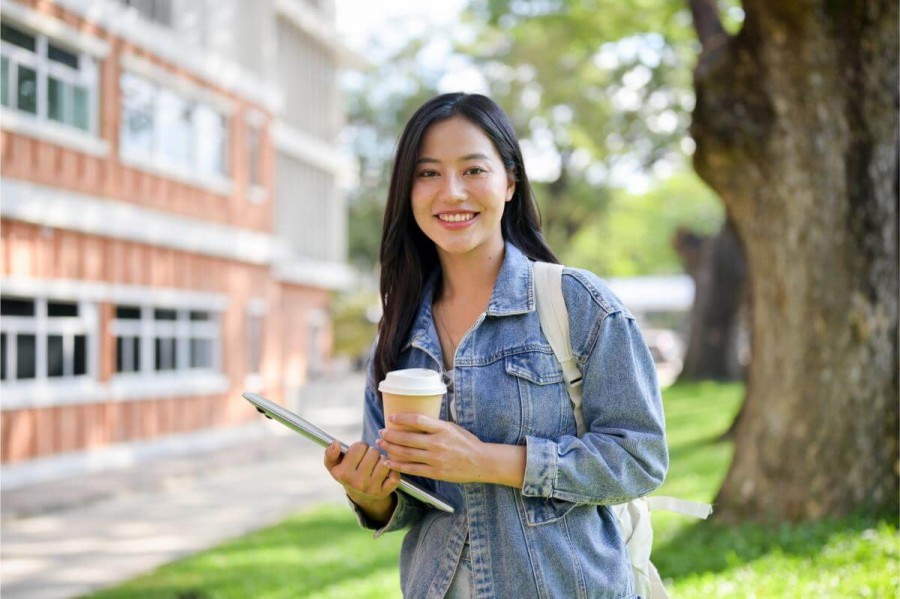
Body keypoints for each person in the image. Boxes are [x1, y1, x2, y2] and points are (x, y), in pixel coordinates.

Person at [324, 92, 668, 598]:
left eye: (473, 170)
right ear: (407, 190)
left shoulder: (577, 303)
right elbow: (410, 502)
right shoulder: (399, 330)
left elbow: (639, 458)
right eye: (428, 174)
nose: (452, 192)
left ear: (509, 182)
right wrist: (369, 494)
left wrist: (486, 461)